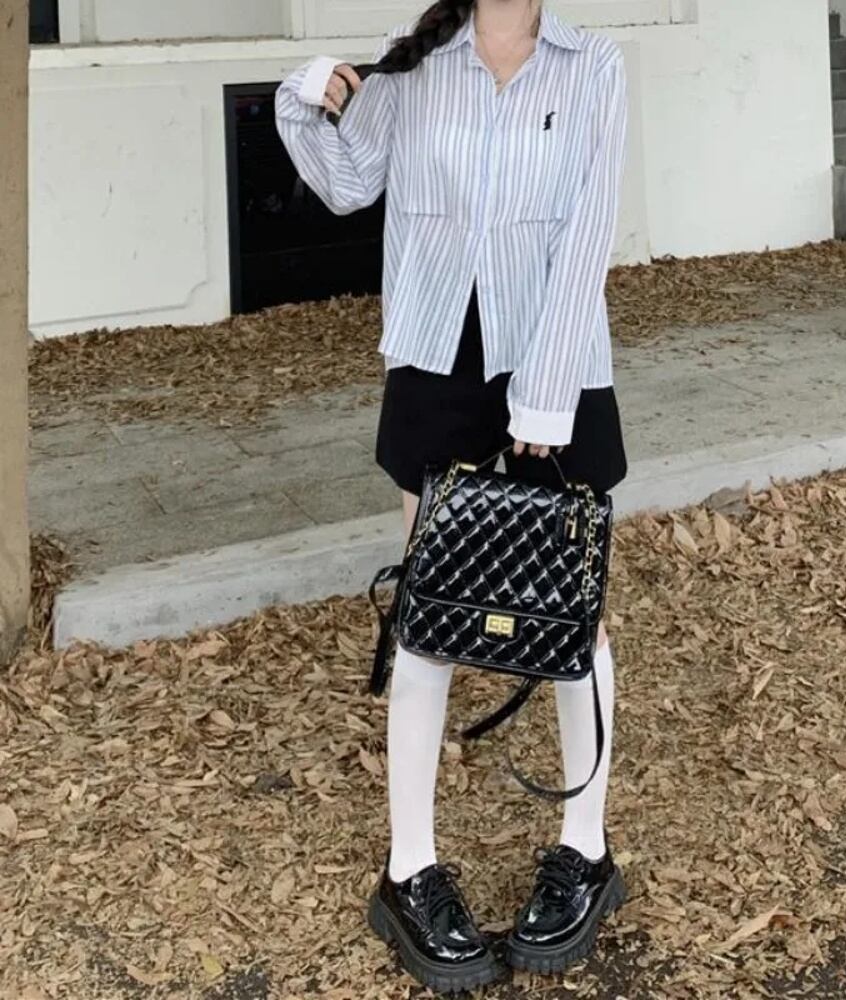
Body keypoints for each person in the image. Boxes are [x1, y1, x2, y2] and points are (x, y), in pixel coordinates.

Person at [276, 0, 629, 991]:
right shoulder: (417, 61)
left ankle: (586, 848)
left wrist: (546, 392)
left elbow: (590, 228)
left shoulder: (593, 66)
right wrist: (305, 99)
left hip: (555, 353)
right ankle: (410, 869)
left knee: (575, 615)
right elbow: (349, 184)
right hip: (436, 357)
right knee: (428, 615)